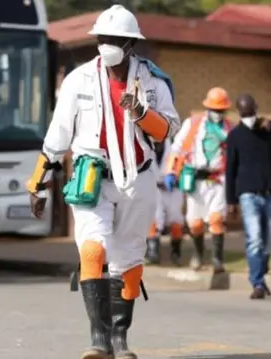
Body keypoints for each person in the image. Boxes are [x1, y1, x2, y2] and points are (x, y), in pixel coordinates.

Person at [25, 5, 179, 359]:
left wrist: (141, 113)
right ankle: (99, 338)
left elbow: (169, 128)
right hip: (92, 177)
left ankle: (120, 337)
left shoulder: (153, 81)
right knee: (93, 249)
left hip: (138, 178)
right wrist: (38, 183)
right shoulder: (79, 79)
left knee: (128, 260)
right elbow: (58, 134)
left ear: (130, 44)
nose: (106, 44)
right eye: (102, 38)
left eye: (114, 39)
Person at [225, 94, 271, 299]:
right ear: (239, 112)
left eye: (251, 111)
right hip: (247, 194)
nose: (248, 116)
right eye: (244, 113)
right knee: (255, 239)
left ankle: (261, 267)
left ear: (256, 108)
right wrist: (231, 201)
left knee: (269, 239)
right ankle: (257, 283)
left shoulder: (269, 129)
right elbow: (230, 169)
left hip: (270, 193)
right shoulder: (235, 135)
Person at [164, 88, 233, 272]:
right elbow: (177, 148)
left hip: (218, 179)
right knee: (194, 223)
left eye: (221, 111)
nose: (218, 114)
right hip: (195, 180)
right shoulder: (193, 124)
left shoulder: (229, 128)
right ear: (208, 108)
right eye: (215, 110)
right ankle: (198, 254)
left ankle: (217, 260)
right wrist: (171, 172)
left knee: (216, 219)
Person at [145, 138, 185, 266]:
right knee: (153, 218)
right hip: (153, 187)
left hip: (173, 188)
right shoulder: (143, 142)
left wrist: (177, 176)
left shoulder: (174, 143)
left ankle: (176, 252)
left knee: (176, 219)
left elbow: (183, 160)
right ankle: (153, 252)